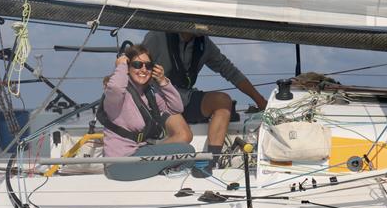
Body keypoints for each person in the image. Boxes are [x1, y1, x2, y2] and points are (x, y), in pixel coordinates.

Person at [142, 31, 267, 174]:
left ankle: (210, 162)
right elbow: (136, 67)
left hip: (184, 98)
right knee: (184, 135)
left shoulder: (204, 43)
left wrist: (260, 101)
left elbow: (229, 70)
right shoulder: (157, 37)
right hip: (159, 101)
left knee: (223, 101)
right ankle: (143, 159)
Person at [99, 45, 195, 181]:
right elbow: (115, 87)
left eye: (148, 66)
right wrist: (121, 65)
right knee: (188, 151)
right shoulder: (116, 97)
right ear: (128, 68)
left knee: (187, 152)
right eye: (137, 65)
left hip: (139, 154)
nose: (143, 69)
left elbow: (176, 108)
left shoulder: (148, 94)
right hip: (120, 164)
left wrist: (163, 81)